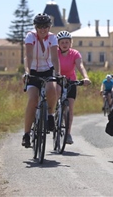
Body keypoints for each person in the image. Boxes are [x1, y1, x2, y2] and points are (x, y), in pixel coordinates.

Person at [22, 13, 61, 148]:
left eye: (45, 26)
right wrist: (27, 72)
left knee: (52, 89)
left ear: (49, 27)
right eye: (40, 27)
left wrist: (58, 73)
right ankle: (26, 134)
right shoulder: (30, 36)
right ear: (36, 27)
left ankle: (50, 114)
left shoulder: (52, 38)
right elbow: (28, 55)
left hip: (47, 69)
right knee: (32, 100)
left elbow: (55, 58)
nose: (43, 29)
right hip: (33, 70)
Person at [56, 30, 91, 144]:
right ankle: (53, 113)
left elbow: (80, 65)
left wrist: (85, 77)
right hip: (58, 80)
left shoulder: (75, 53)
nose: (65, 44)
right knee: (56, 92)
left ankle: (68, 133)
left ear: (71, 43)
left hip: (71, 81)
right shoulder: (55, 53)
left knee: (70, 108)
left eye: (67, 42)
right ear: (58, 44)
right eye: (62, 42)